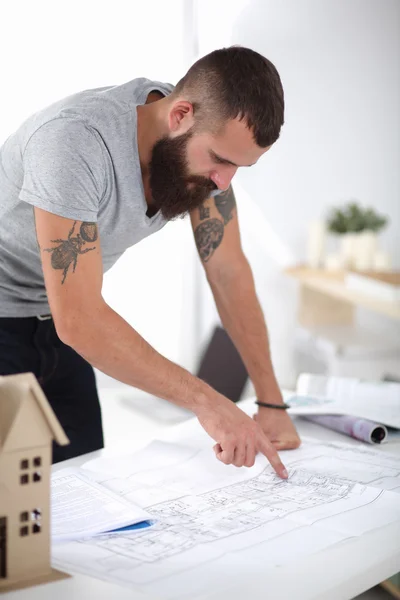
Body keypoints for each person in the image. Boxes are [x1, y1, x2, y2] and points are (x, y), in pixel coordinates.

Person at [0, 46, 300, 470]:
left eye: (238, 168)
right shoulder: (73, 142)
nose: (223, 182)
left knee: (83, 489)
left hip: (56, 328)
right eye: (219, 160)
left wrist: (271, 401)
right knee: (14, 508)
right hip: (12, 317)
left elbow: (229, 272)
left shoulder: (204, 154)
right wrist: (208, 402)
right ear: (180, 116)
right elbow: (81, 319)